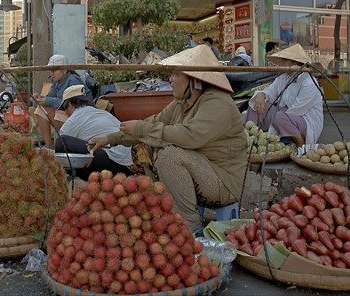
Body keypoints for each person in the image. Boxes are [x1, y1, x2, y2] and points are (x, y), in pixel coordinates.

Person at [89, 45, 247, 234]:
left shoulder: (216, 102)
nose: (170, 80)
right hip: (201, 171)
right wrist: (110, 138)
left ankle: (189, 225)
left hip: (223, 182)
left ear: (194, 79)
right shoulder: (181, 103)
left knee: (170, 156)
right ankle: (162, 212)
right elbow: (153, 124)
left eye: (175, 75)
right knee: (145, 148)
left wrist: (141, 128)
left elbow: (190, 136)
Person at [245, 44, 323, 147]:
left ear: (295, 62)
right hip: (283, 115)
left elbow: (296, 111)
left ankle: (300, 142)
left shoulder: (309, 83)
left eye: (285, 61)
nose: (283, 63)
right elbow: (270, 92)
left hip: (304, 121)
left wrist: (276, 120)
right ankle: (253, 139)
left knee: (278, 117)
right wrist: (261, 95)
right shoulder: (284, 78)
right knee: (256, 104)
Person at [55, 84, 133, 180]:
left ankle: (82, 179)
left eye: (65, 109)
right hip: (129, 164)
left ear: (70, 104)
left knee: (61, 142)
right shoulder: (102, 113)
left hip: (114, 162)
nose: (66, 113)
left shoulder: (75, 118)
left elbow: (60, 145)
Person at [33, 54, 93, 148]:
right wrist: (40, 99)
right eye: (50, 70)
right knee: (40, 110)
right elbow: (51, 97)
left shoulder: (73, 80)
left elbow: (70, 104)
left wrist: (48, 100)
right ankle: (49, 144)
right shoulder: (56, 81)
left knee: (60, 115)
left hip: (81, 114)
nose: (51, 73)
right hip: (67, 112)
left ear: (64, 70)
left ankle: (68, 145)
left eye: (54, 70)